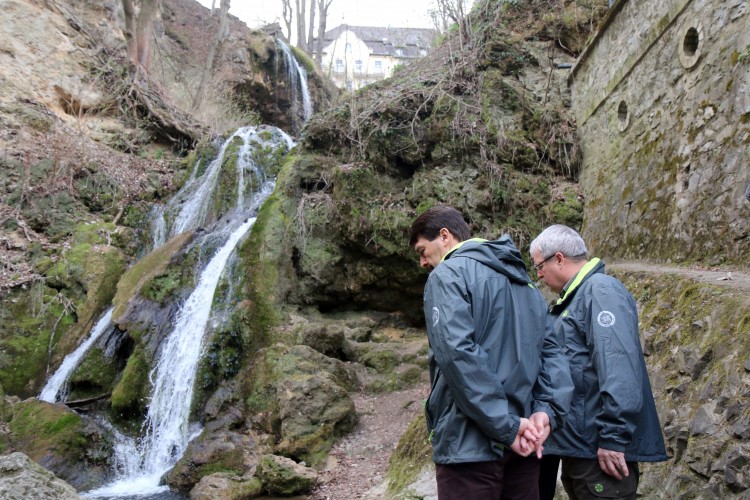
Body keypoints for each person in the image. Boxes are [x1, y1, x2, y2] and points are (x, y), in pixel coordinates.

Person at [409, 206, 573, 499]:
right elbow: (553, 353)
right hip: (525, 441)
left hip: (470, 446)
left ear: (445, 236)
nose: (422, 262)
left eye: (422, 250)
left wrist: (507, 426)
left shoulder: (447, 275)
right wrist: (544, 414)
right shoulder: (524, 282)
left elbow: (457, 355)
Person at [530, 225, 668, 500]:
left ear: (559, 258)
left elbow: (618, 366)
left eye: (539, 266)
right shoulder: (576, 298)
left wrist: (613, 438)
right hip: (583, 447)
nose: (539, 274)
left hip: (600, 450)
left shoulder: (600, 291)